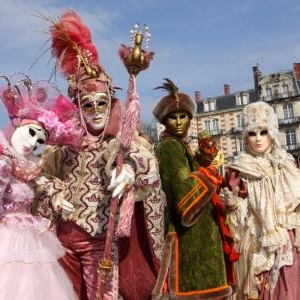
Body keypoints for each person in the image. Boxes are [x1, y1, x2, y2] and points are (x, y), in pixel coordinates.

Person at [35, 10, 165, 300]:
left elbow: (147, 165)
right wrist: (55, 192)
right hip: (62, 241)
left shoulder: (117, 144)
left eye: (101, 103)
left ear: (111, 104)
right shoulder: (63, 147)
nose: (95, 111)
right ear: (79, 107)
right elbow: (39, 179)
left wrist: (129, 170)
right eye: (88, 104)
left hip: (99, 242)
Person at [0, 73, 83, 299]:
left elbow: (43, 184)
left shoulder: (29, 166)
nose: (32, 143)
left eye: (39, 140)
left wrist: (57, 198)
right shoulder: (3, 162)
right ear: (16, 125)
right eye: (31, 133)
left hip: (31, 236)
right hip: (6, 239)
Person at [151, 78, 234, 299]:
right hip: (190, 237)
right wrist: (209, 175)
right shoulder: (169, 147)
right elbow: (181, 191)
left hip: (200, 236)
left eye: (183, 116)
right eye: (172, 117)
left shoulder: (181, 145)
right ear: (164, 121)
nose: (178, 122)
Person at [224, 101, 300, 299]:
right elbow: (239, 211)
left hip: (287, 239)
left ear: (272, 132)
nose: (258, 139)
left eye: (263, 132)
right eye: (252, 133)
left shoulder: (286, 163)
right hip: (256, 239)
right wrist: (232, 206)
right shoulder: (239, 169)